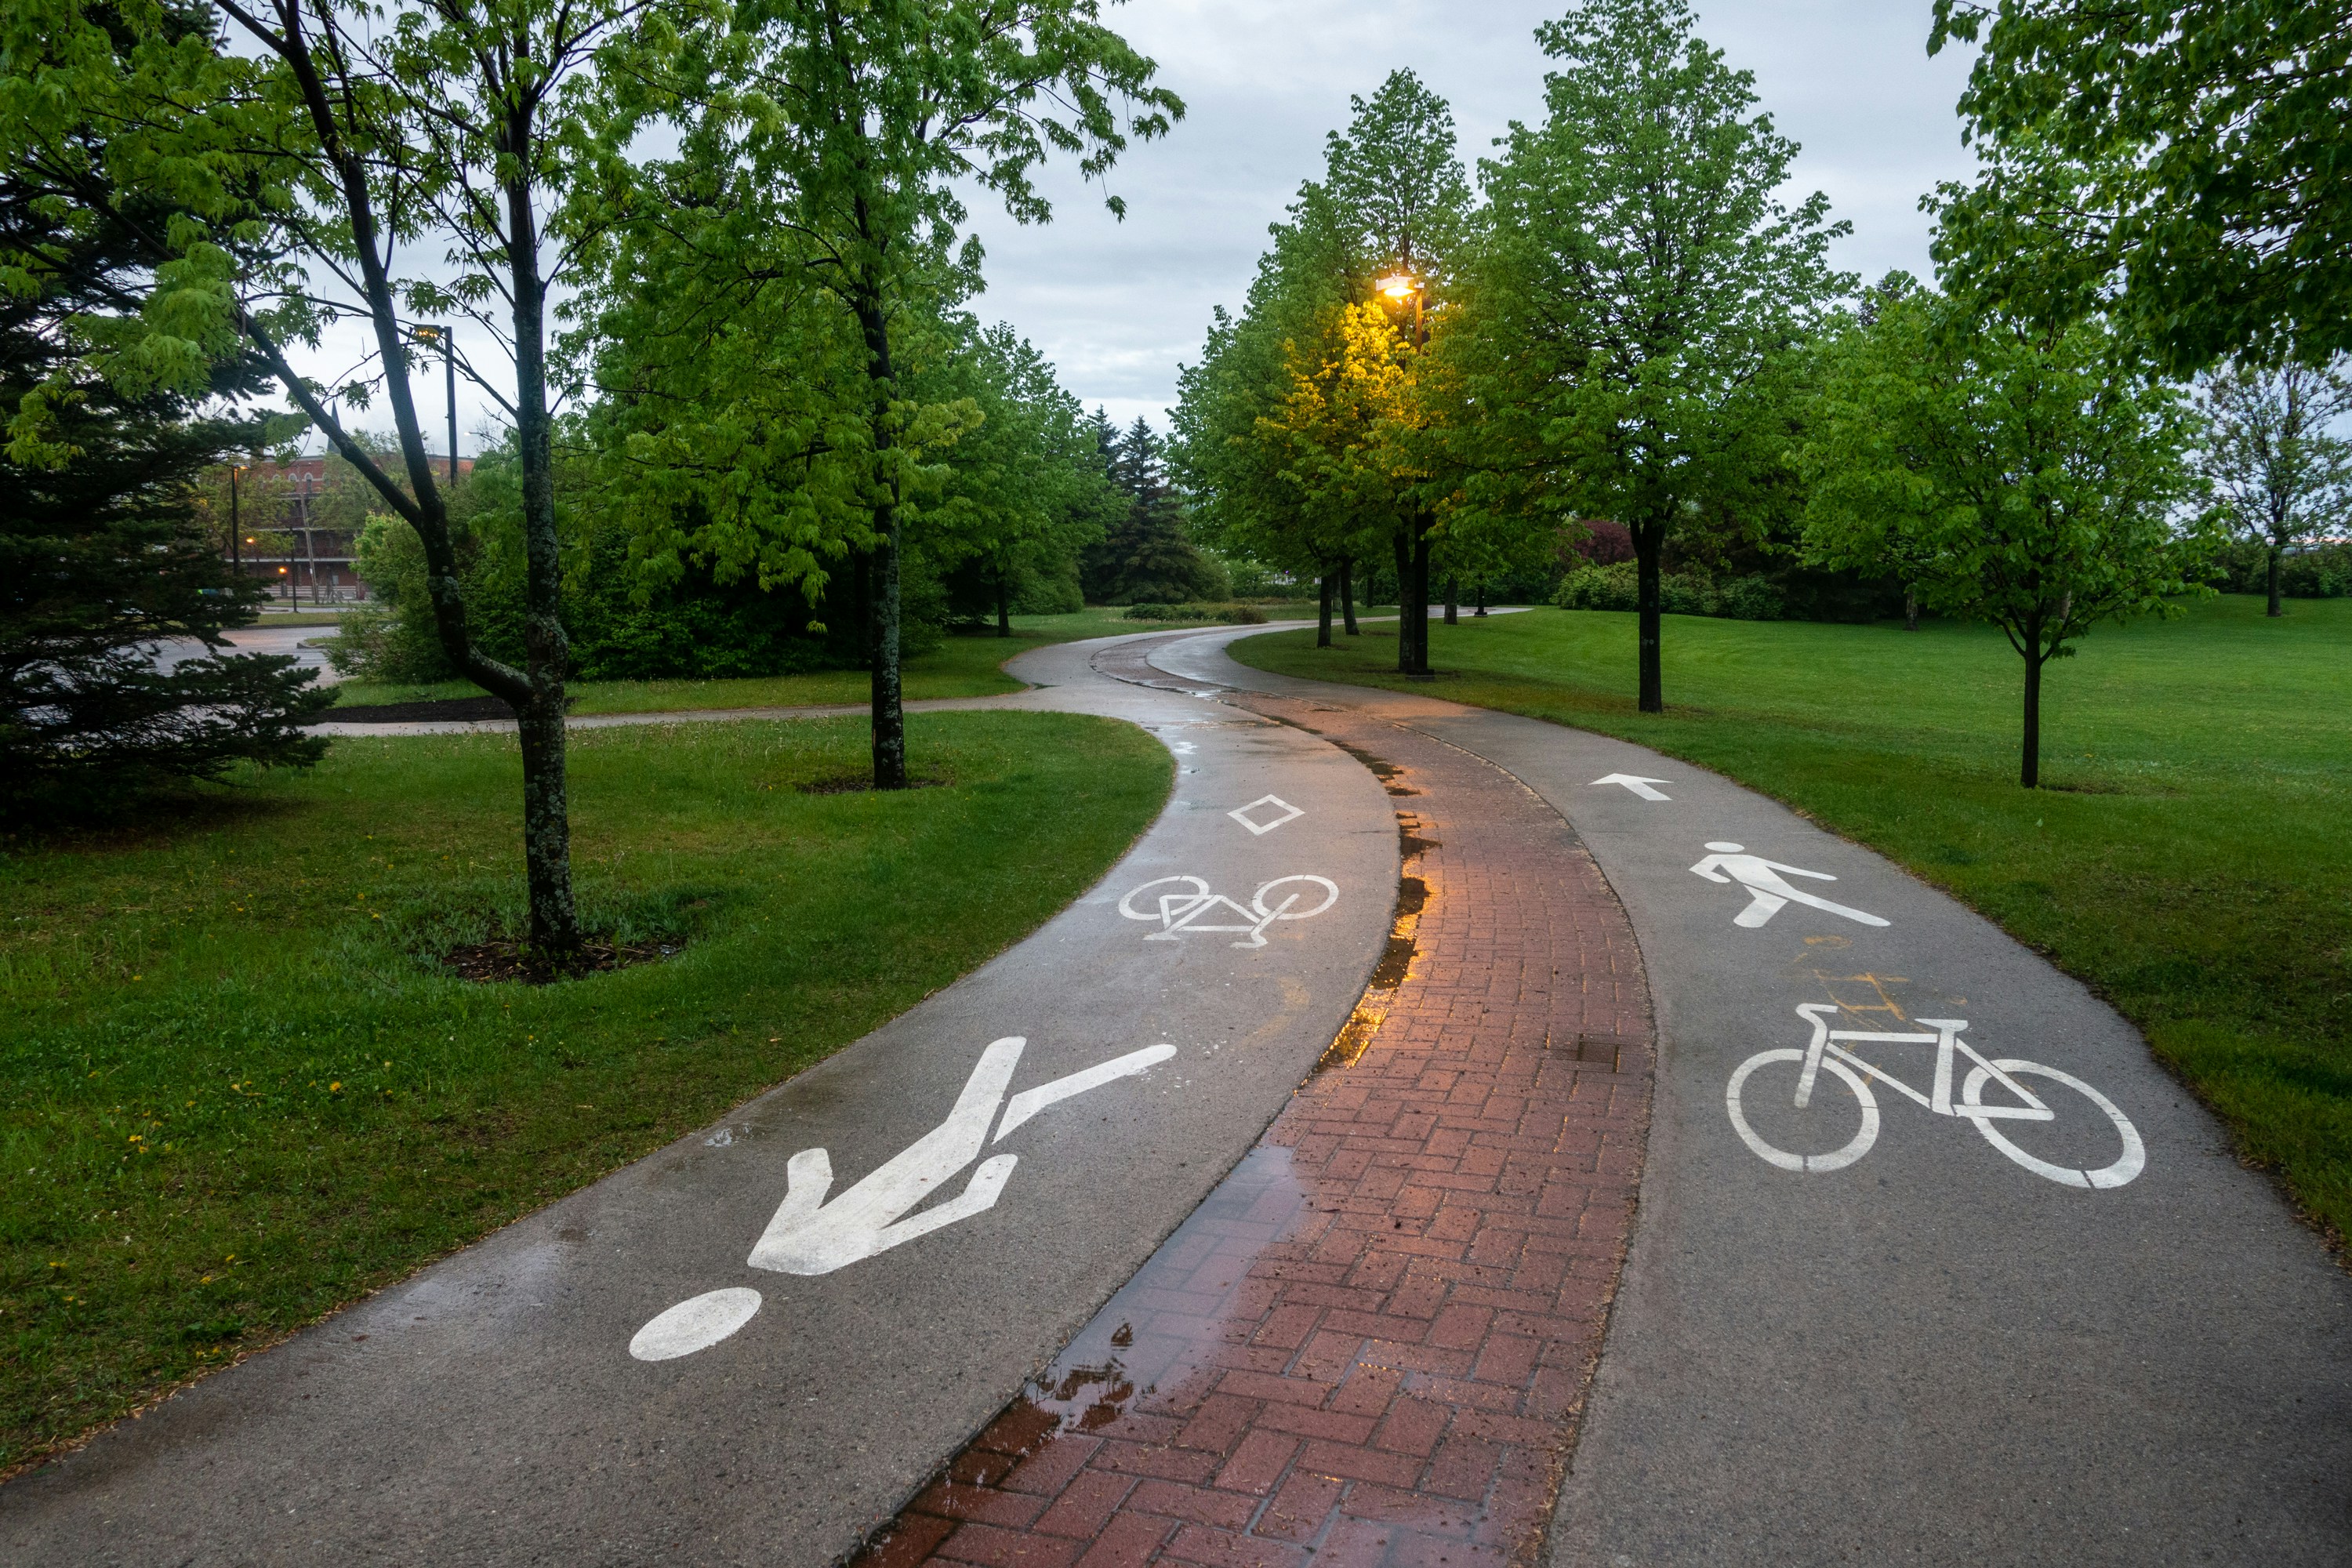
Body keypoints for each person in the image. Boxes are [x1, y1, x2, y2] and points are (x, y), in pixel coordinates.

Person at [1689, 841, 1888, 929]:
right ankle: (1862, 917)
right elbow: (1702, 869)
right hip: (1759, 884)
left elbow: (1783, 868)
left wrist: (1818, 876)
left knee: (1777, 898)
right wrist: (1718, 879)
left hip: (1768, 883)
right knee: (1792, 897)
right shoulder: (1716, 858)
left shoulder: (1738, 857)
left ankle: (1749, 921)